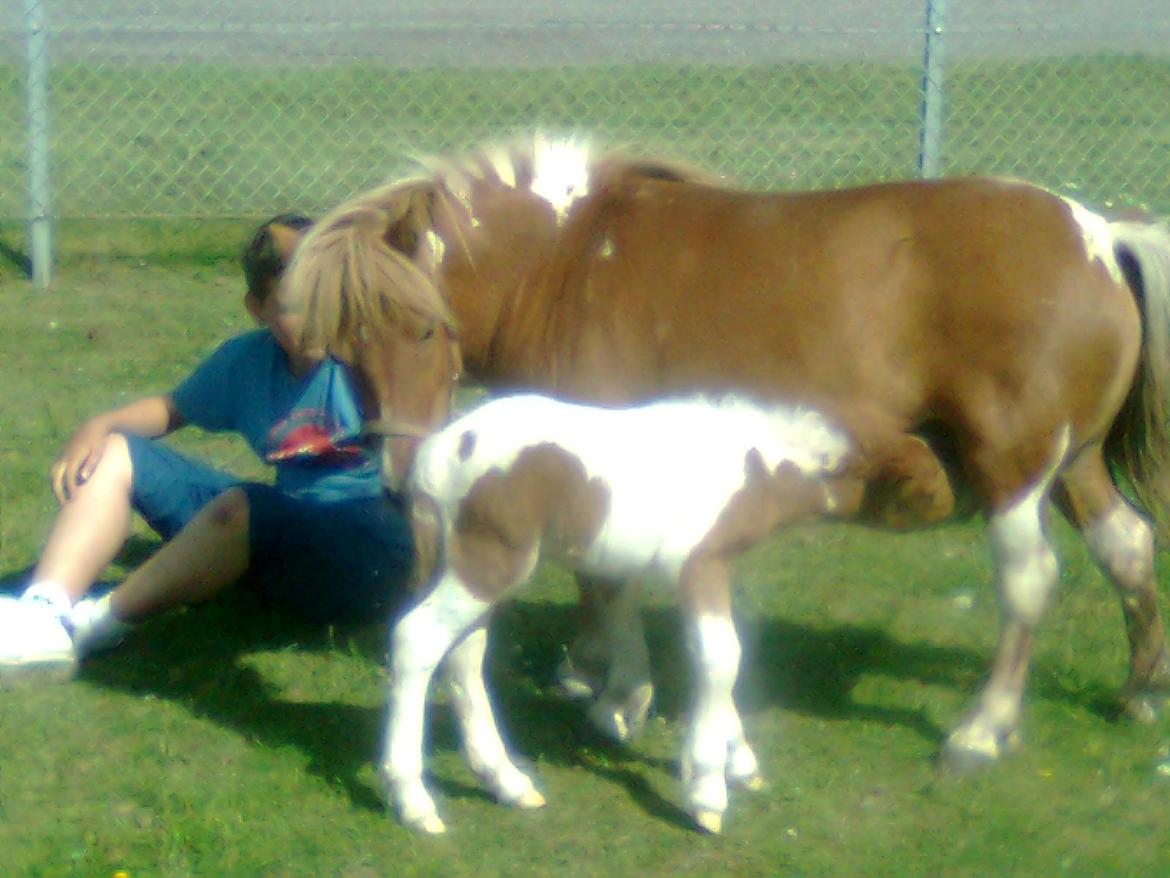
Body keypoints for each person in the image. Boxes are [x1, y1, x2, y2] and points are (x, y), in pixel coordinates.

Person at [0, 213, 414, 682]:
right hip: (282, 535)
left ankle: (91, 624)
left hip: (368, 559)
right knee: (117, 452)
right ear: (258, 308)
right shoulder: (249, 362)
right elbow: (170, 409)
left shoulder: (372, 357)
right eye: (296, 306)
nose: (319, 318)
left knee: (243, 507)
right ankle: (44, 609)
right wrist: (101, 423)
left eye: (328, 296)